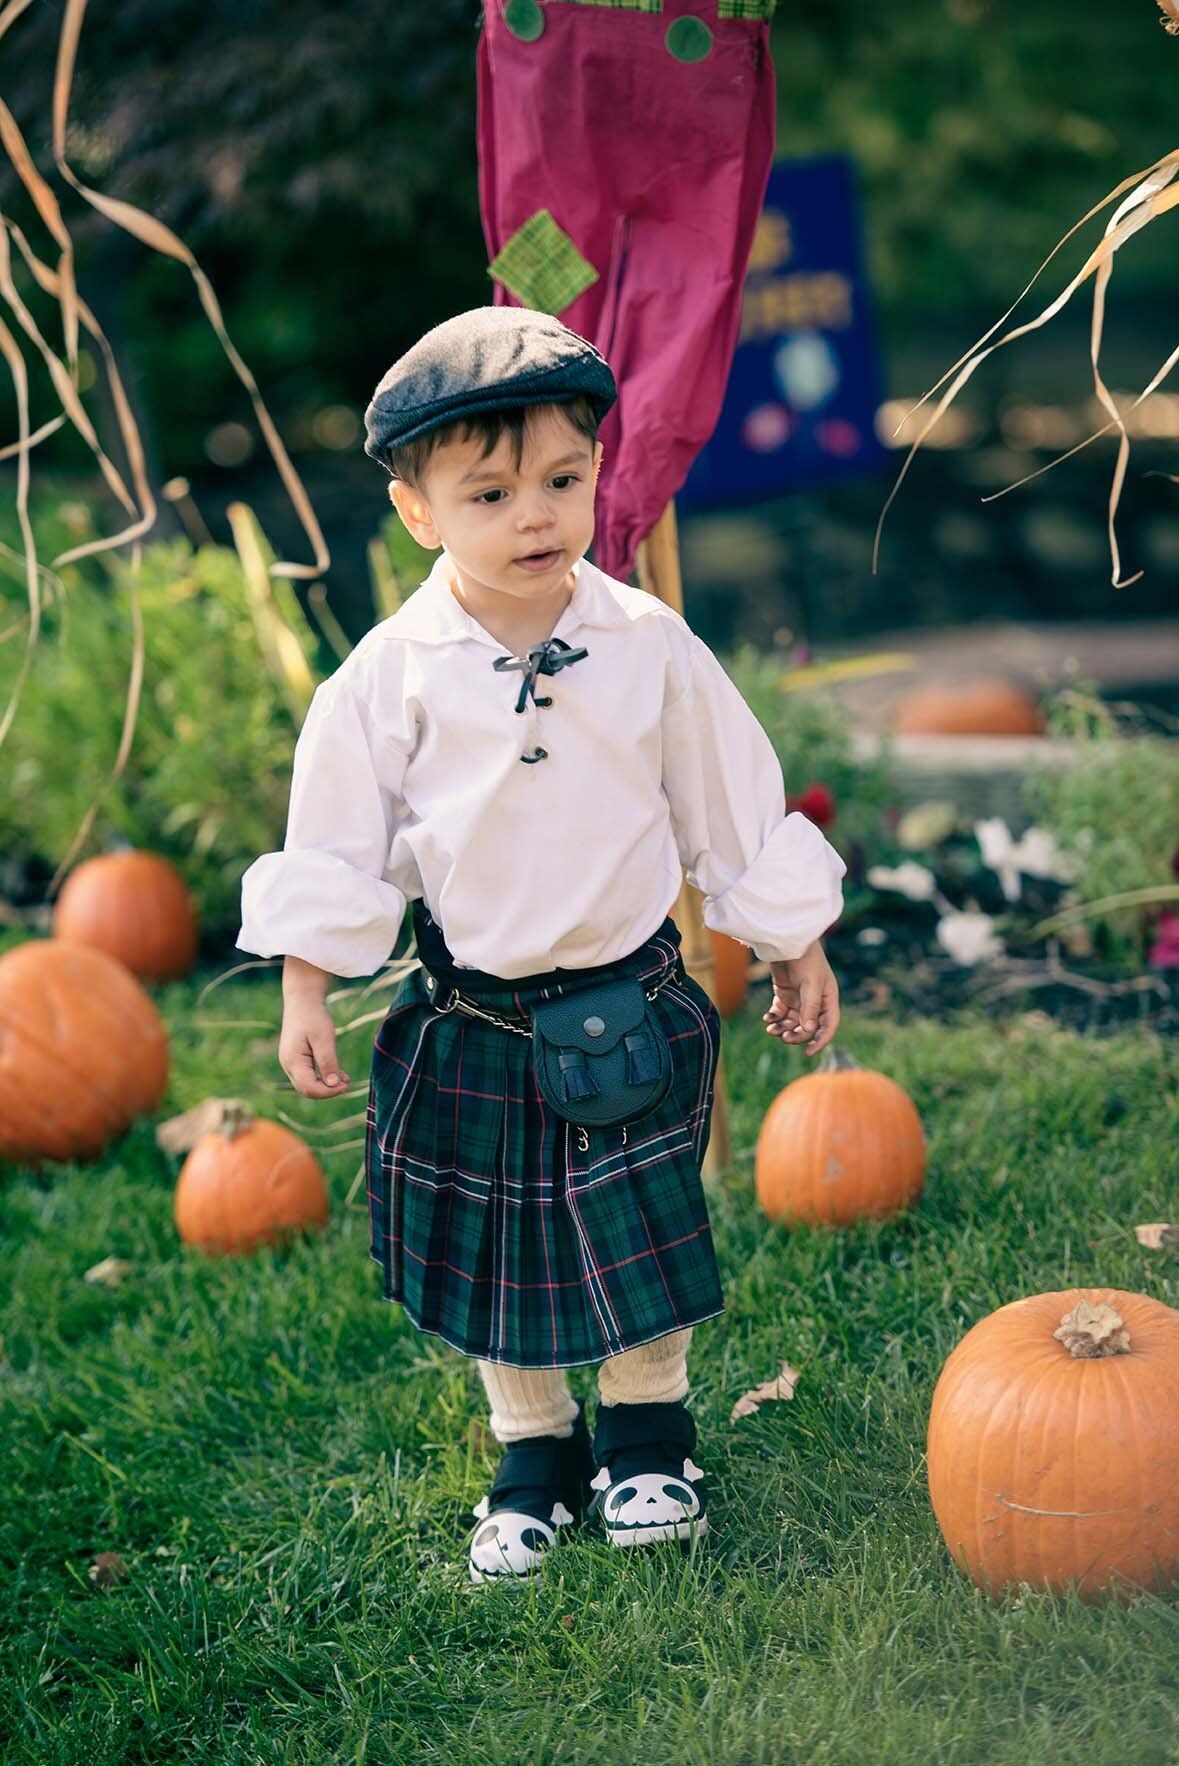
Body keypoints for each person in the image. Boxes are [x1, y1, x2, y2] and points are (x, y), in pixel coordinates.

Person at [236, 305, 845, 1584]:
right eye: (493, 491)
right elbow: (339, 836)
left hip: (632, 997)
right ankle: (532, 1450)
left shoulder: (648, 646)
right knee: (499, 1253)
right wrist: (306, 983)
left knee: (641, 1236)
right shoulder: (390, 676)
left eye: (564, 480)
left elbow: (730, 797)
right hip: (477, 1018)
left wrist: (792, 940)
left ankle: (649, 1436)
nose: (537, 516)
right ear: (418, 511)